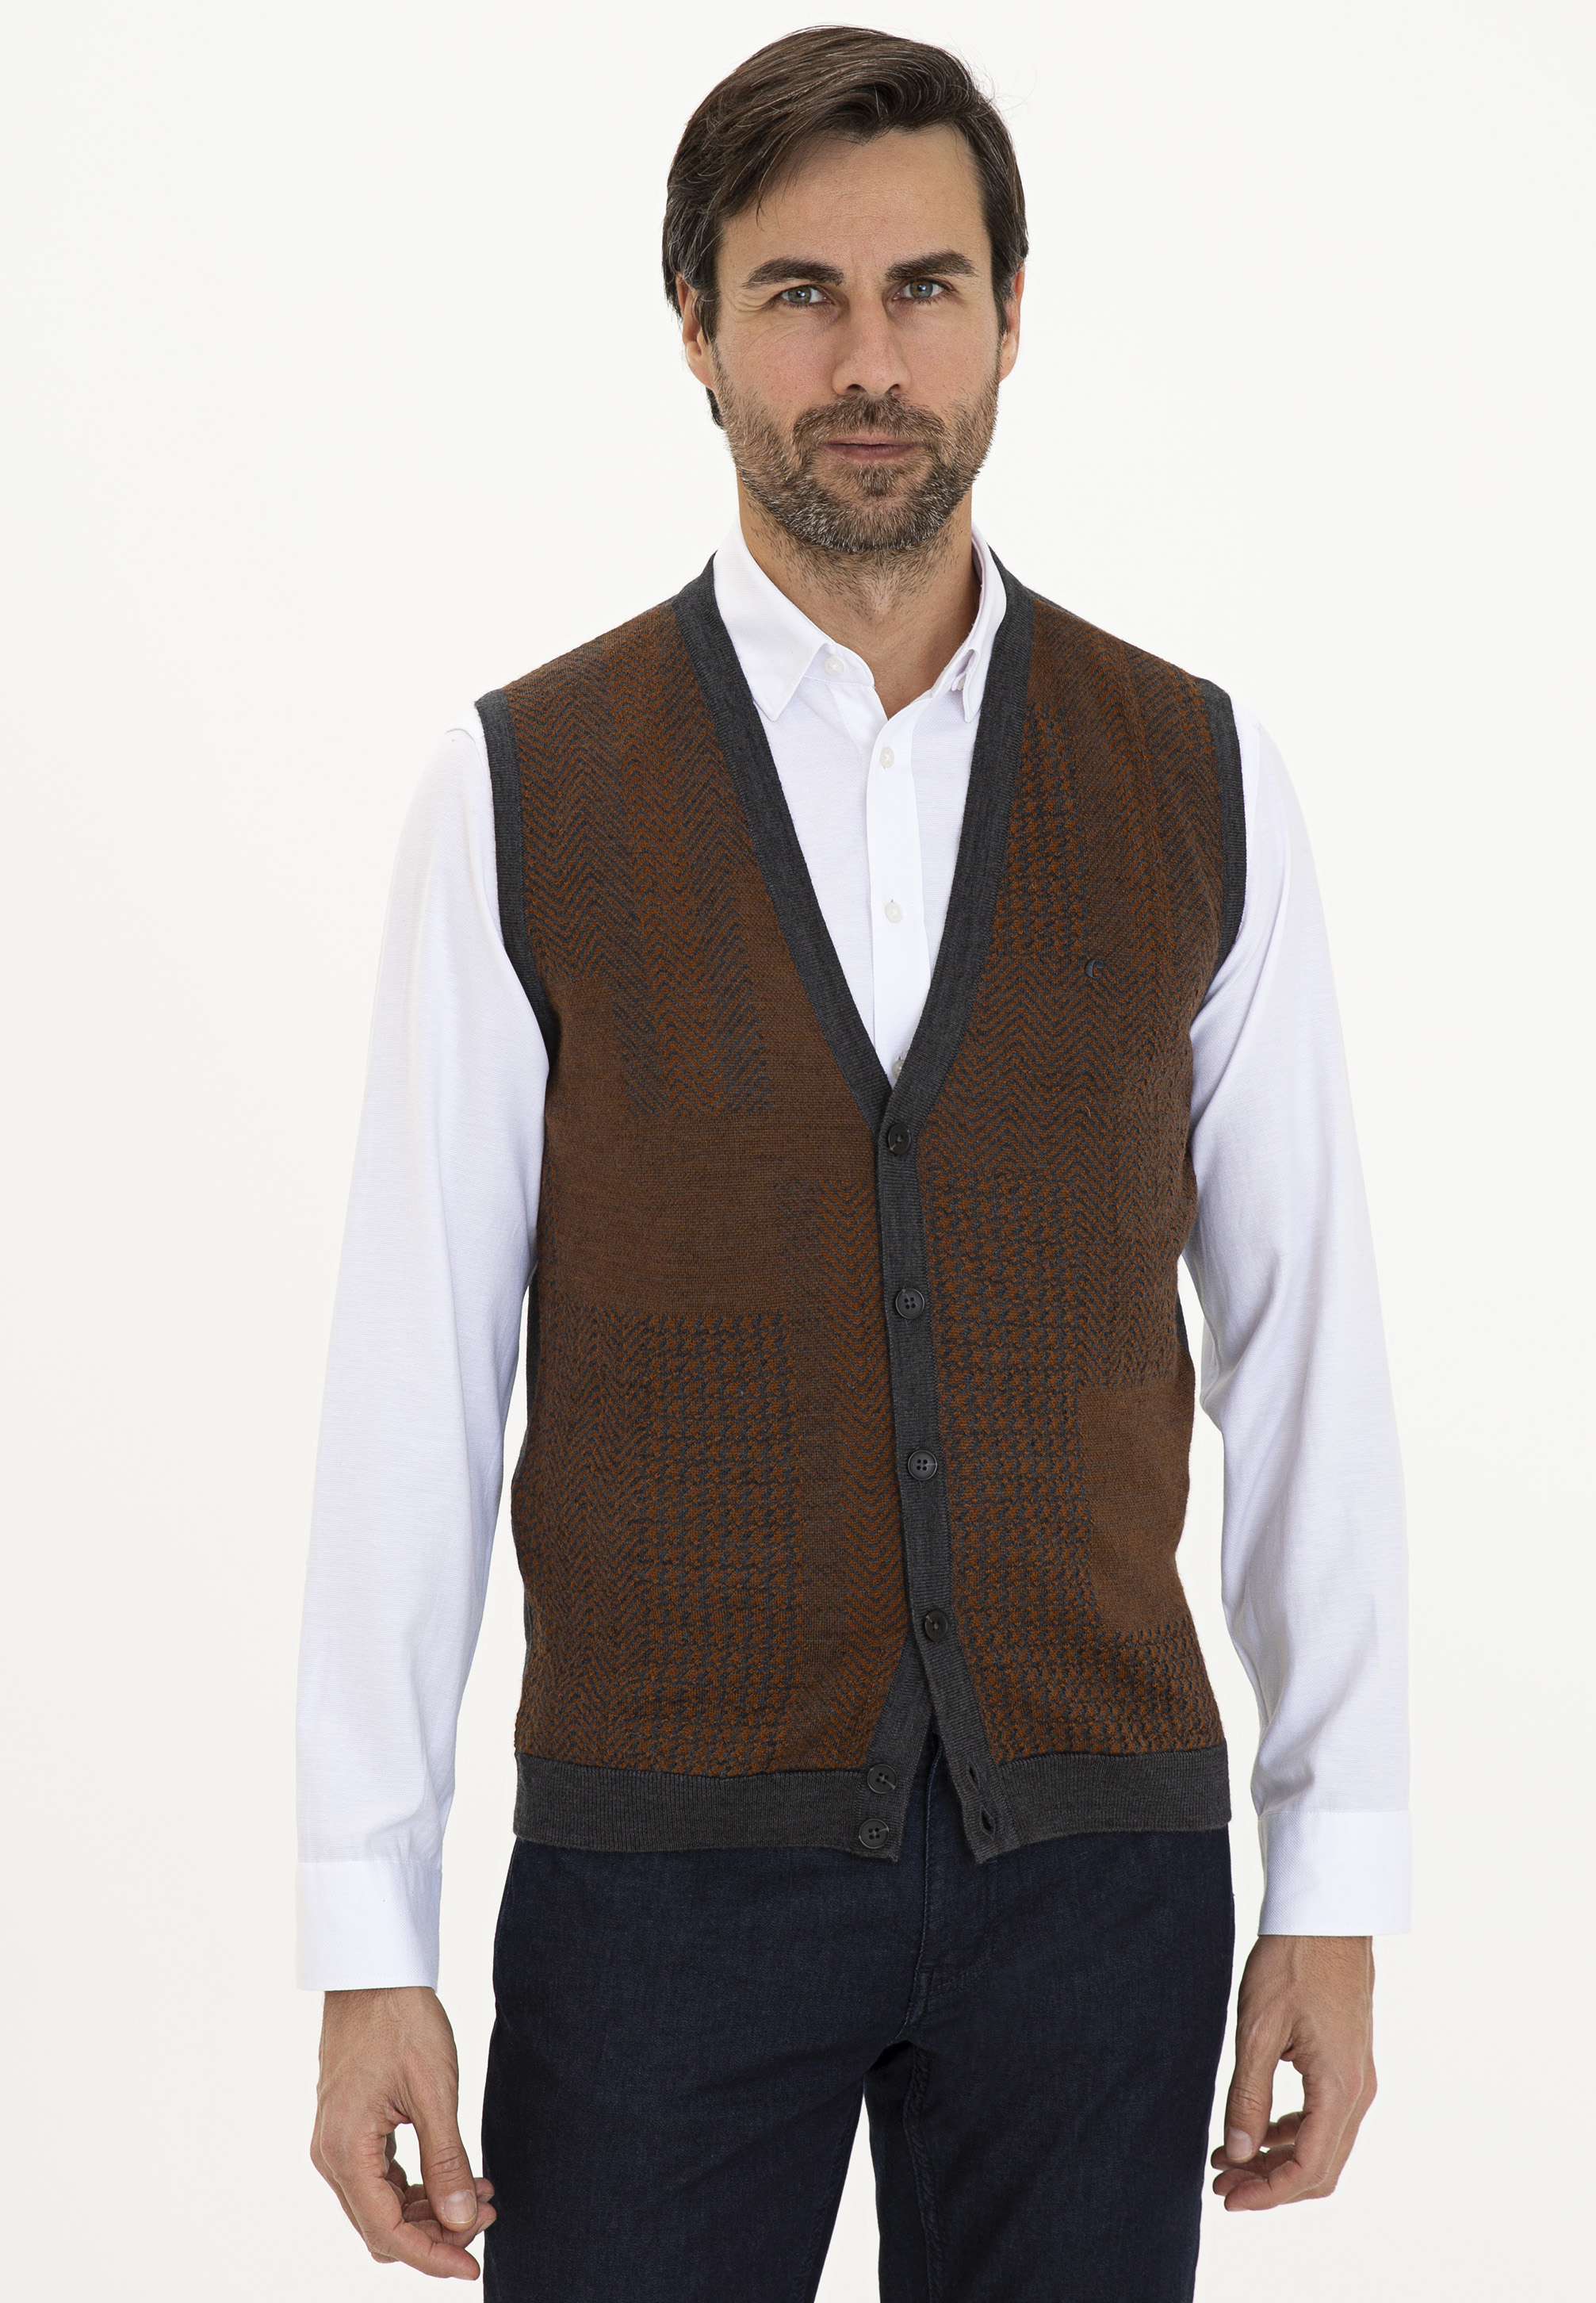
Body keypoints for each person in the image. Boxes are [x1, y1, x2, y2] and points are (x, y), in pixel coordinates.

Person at [297, 26, 1408, 2299]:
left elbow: (1307, 1352)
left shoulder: (1195, 775)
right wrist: (362, 1931)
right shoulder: (526, 789)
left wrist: (1336, 1877)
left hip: (1093, 1874)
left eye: (925, 289)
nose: (869, 362)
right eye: (798, 295)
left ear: (1011, 314)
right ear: (695, 330)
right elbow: (415, 1385)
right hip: (659, 1885)